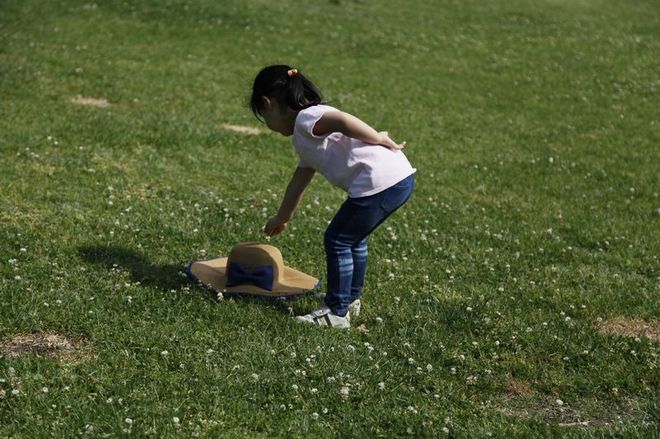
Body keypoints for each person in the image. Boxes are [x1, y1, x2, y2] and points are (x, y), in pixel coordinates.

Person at [250, 64, 415, 328]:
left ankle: (337, 312)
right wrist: (283, 215)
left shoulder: (307, 119)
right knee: (352, 239)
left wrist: (378, 138)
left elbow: (343, 121)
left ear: (267, 103)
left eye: (263, 116)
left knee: (338, 240)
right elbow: (299, 179)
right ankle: (349, 299)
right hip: (396, 179)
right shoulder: (305, 134)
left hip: (380, 182)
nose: (268, 125)